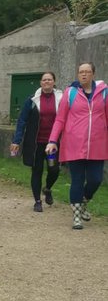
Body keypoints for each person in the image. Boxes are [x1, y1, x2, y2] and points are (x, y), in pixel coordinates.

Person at [46, 62, 108, 230]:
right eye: (81, 72)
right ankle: (76, 217)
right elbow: (60, 119)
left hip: (97, 145)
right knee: (77, 180)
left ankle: (83, 204)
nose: (84, 75)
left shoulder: (104, 92)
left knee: (96, 179)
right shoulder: (70, 93)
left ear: (93, 74)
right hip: (74, 144)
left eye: (87, 72)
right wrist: (52, 141)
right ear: (78, 74)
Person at [10, 72, 63, 212]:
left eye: (49, 80)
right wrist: (16, 140)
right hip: (35, 144)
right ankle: (37, 201)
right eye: (44, 80)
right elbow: (22, 121)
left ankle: (47, 188)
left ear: (54, 82)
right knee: (37, 171)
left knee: (54, 169)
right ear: (41, 83)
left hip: (52, 145)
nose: (47, 82)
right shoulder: (32, 100)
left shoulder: (60, 98)